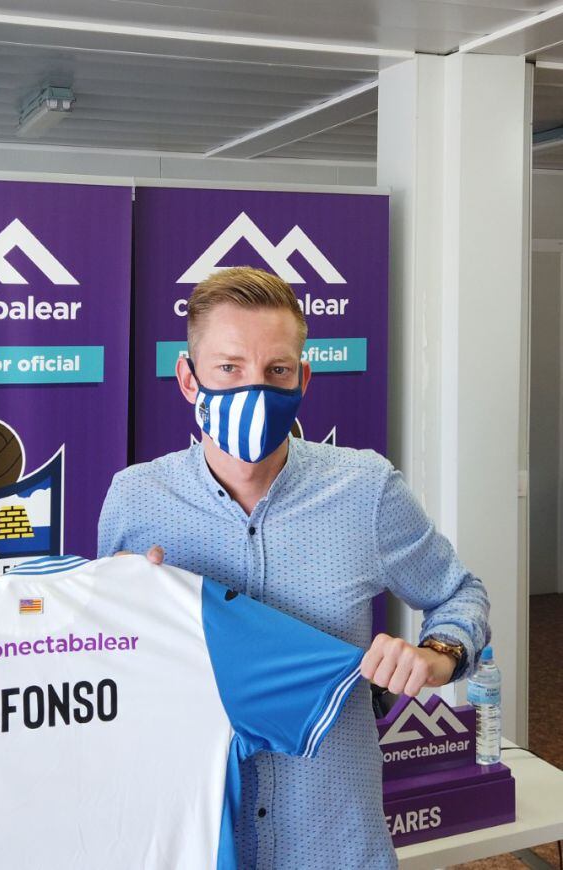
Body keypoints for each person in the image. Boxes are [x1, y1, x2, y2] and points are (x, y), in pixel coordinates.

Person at [97, 266, 489, 869]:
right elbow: (110, 665)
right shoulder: (135, 500)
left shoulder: (366, 489)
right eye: (229, 368)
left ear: (302, 378)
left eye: (276, 371)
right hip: (192, 841)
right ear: (188, 377)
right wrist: (119, 608)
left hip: (333, 839)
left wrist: (438, 654)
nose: (254, 387)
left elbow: (460, 593)